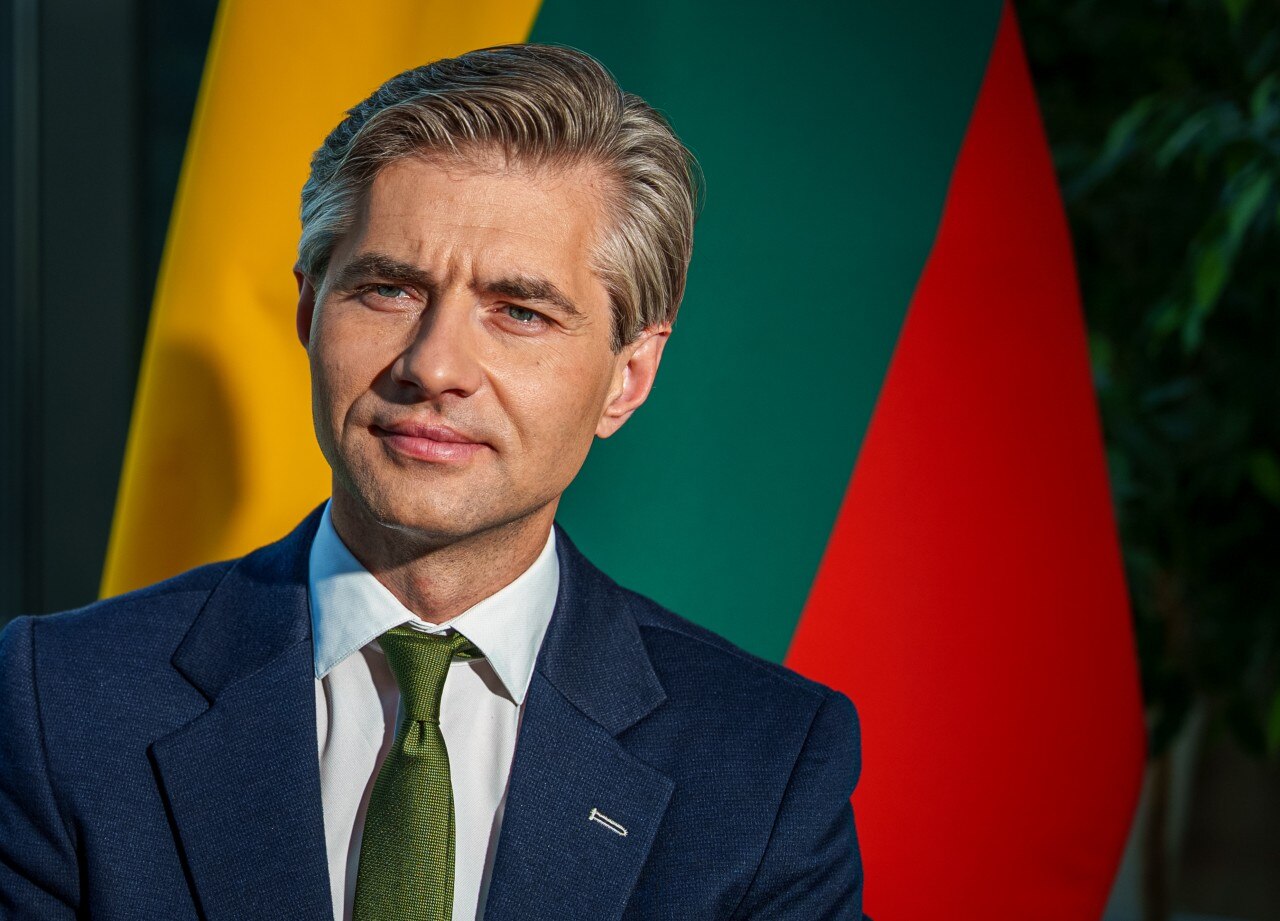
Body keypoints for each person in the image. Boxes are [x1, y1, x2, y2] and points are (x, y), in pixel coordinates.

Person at [0, 44, 865, 920]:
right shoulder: (59, 706)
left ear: (628, 376)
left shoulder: (769, 764)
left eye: (520, 311)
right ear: (308, 310)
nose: (435, 365)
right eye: (389, 289)